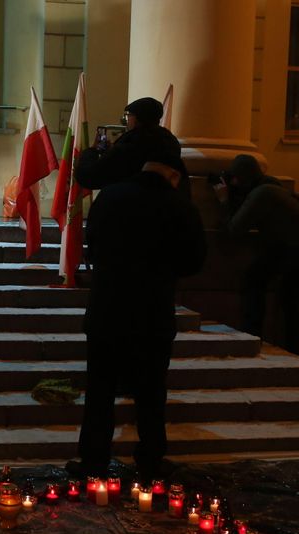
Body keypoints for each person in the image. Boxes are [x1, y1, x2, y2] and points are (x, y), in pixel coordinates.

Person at [67, 149, 207, 482]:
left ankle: (93, 460)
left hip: (107, 310)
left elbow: (93, 243)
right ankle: (150, 460)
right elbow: (194, 262)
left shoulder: (111, 196)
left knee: (100, 389)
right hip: (152, 313)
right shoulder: (181, 207)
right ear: (174, 176)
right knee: (151, 390)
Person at [213, 154, 299, 355]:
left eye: (234, 178)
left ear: (243, 177)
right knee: (277, 289)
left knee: (283, 294)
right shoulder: (269, 186)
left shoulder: (263, 194)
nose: (233, 182)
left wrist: (224, 200)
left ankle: (264, 338)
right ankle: (286, 346)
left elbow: (234, 229)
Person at [75, 97, 190, 200]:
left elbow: (88, 176)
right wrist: (112, 152)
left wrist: (92, 151)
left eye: (129, 115)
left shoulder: (130, 145)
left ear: (137, 119)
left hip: (129, 210)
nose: (126, 120)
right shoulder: (170, 143)